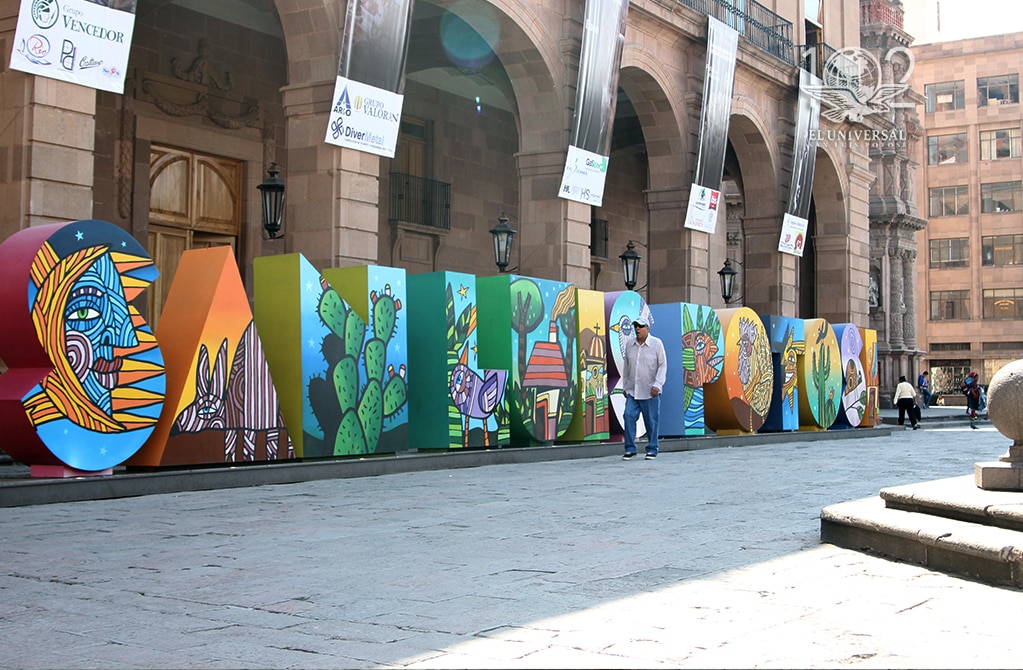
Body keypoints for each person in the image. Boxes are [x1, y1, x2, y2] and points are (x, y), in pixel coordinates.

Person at [621, 316, 667, 460]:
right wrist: (626, 386)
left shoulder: (656, 344)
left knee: (651, 421)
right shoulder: (630, 344)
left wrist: (657, 385)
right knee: (628, 415)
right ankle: (630, 448)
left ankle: (652, 449)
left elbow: (662, 365)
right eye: (636, 326)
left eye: (640, 326)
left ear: (648, 328)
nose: (637, 329)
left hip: (650, 391)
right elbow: (627, 367)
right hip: (633, 391)